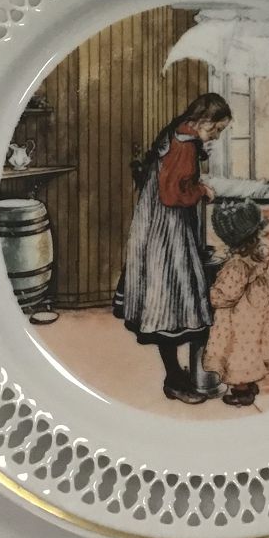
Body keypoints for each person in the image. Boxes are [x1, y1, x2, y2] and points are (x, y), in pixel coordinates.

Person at [113, 92, 232, 404]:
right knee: (172, 303)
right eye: (216, 129)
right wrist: (200, 190)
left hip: (155, 228)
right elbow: (172, 195)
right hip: (167, 233)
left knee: (166, 304)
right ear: (202, 120)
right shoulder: (184, 145)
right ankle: (174, 381)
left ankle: (177, 376)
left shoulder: (176, 135)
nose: (216, 136)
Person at [204, 199, 269, 407]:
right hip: (257, 306)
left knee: (238, 348)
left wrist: (208, 294)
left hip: (240, 314)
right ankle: (250, 382)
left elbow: (226, 295)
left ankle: (242, 391)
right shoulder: (257, 254)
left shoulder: (236, 265)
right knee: (254, 342)